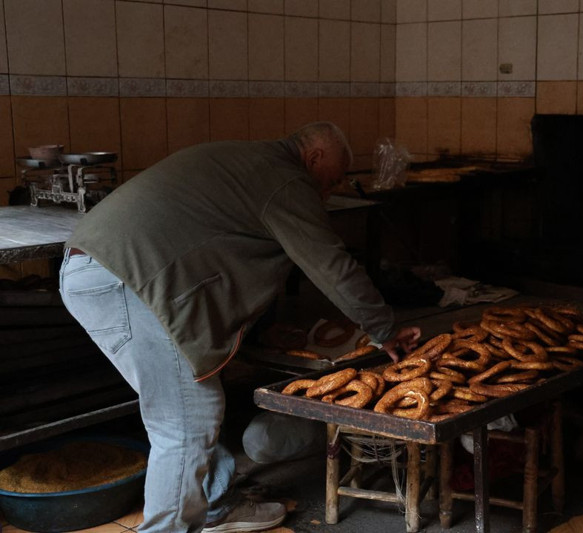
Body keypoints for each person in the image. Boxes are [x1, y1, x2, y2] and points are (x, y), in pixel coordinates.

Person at [58, 122, 422, 533]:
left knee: (192, 402)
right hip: (122, 280)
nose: (329, 191)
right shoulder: (285, 180)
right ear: (315, 158)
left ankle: (214, 506)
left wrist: (261, 328)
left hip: (101, 269)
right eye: (333, 179)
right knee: (186, 422)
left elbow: (226, 250)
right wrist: (383, 328)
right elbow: (330, 264)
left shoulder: (247, 159)